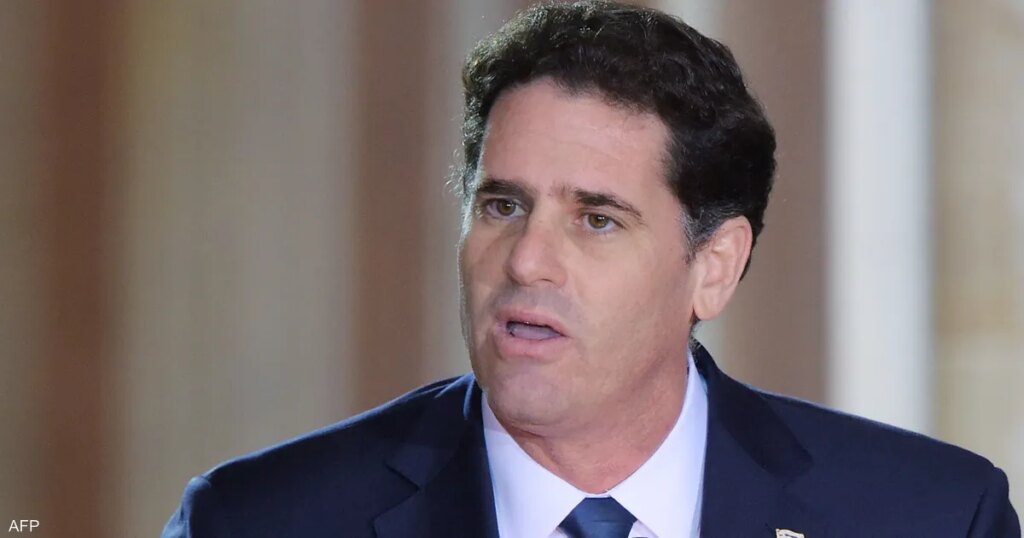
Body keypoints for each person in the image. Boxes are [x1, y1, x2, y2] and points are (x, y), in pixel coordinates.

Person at [163, 1, 1019, 536]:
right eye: (503, 206)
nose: (528, 260)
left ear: (714, 267)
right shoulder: (257, 520)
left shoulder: (930, 517)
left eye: (597, 219)